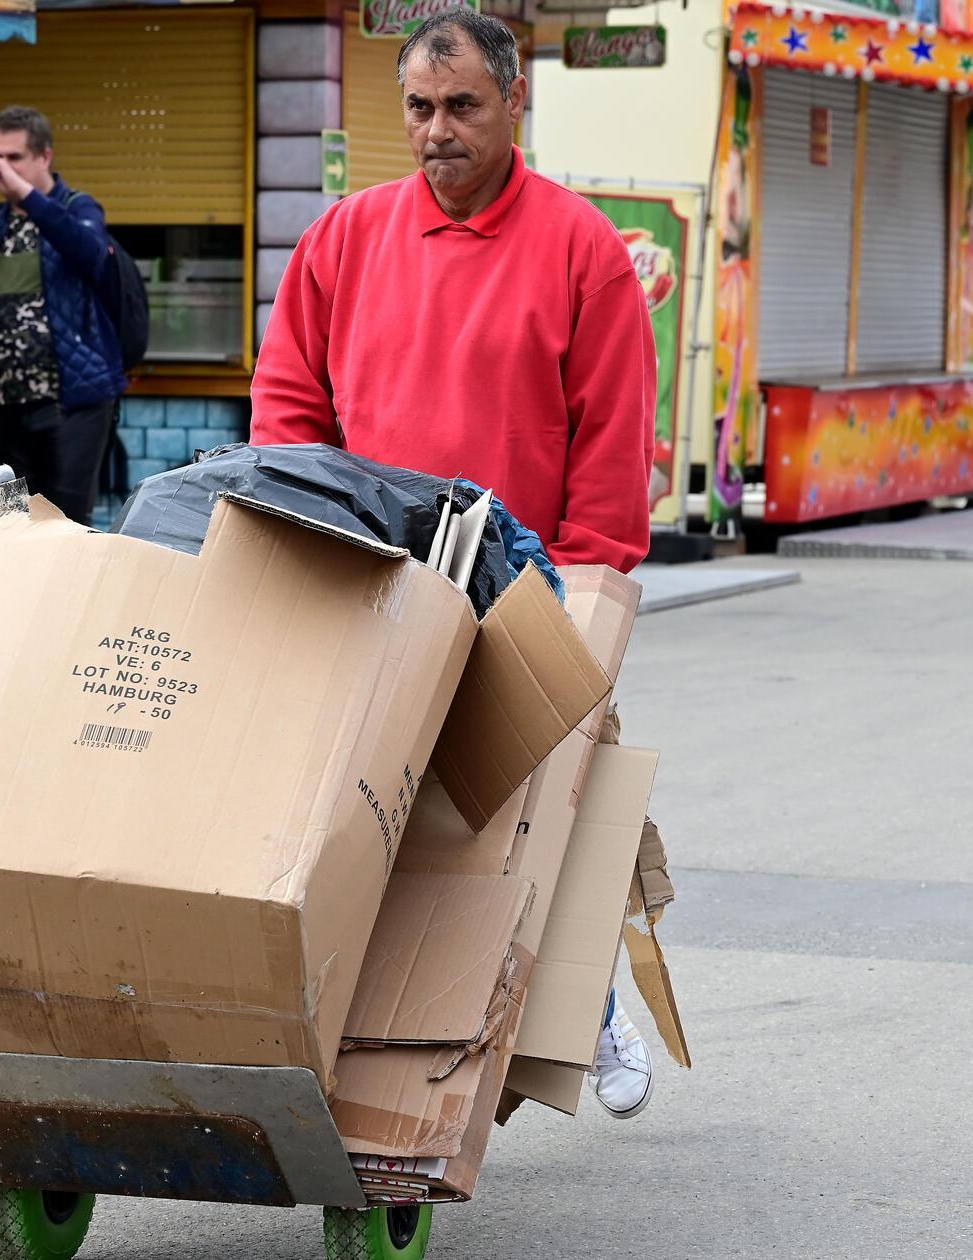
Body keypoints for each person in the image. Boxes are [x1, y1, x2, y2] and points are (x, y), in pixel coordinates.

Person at [251, 7, 667, 1116]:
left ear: (514, 103)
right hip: (368, 582)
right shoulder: (345, 237)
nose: (438, 132)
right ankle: (356, 1031)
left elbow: (614, 444)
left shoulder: (583, 251)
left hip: (517, 590)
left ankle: (588, 1004)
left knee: (534, 821)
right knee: (368, 816)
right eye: (421, 110)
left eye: (462, 107)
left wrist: (587, 600)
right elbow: (289, 406)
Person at [0, 106, 126, 527]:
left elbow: (92, 254)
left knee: (65, 524)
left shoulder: (77, 208)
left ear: (45, 157)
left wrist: (24, 194)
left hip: (73, 403)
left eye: (14, 158)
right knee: (15, 522)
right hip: (11, 403)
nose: (3, 169)